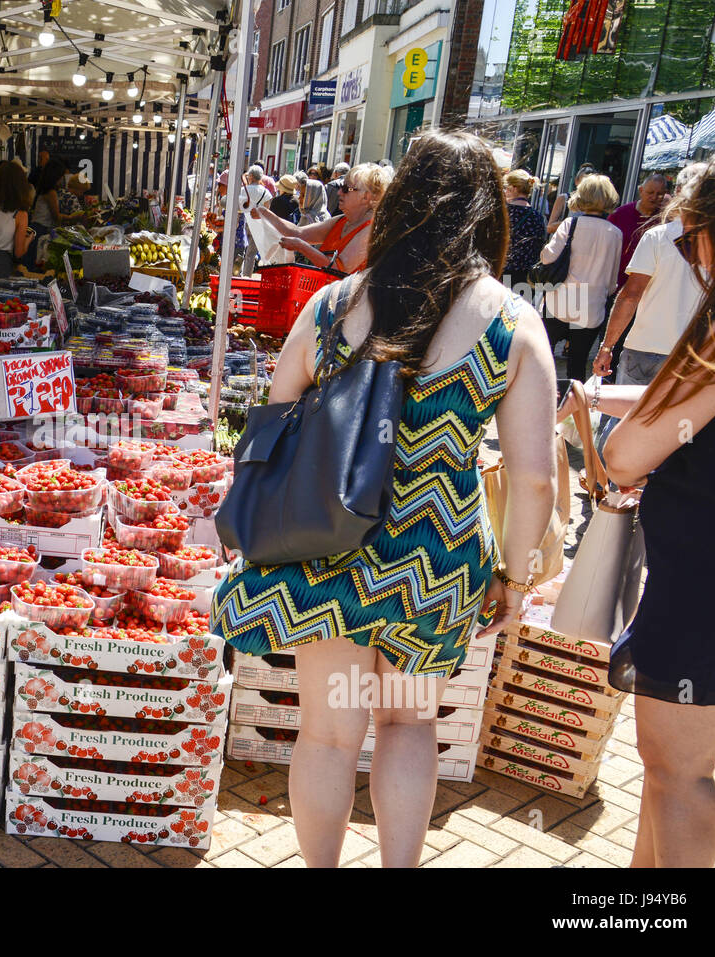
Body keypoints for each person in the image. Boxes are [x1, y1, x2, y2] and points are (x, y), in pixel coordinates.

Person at [211, 130, 558, 867]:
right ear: (487, 215)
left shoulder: (336, 302)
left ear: (399, 205)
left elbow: (274, 420)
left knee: (331, 731)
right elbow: (533, 478)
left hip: (327, 544)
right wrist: (518, 578)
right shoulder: (512, 321)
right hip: (434, 559)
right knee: (408, 724)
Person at [598, 147, 715, 867]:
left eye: (693, 236)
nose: (690, 254)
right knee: (664, 765)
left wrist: (605, 431)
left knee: (679, 769)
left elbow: (626, 454)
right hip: (709, 572)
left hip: (707, 580)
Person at [594, 163, 706, 384]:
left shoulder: (658, 236)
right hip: (695, 351)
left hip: (647, 346)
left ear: (676, 192)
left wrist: (607, 346)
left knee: (625, 415)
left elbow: (630, 295)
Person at [537, 173, 621, 380]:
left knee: (543, 354)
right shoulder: (615, 232)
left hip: (560, 300)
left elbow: (547, 258)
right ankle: (573, 404)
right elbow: (612, 279)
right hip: (592, 306)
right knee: (578, 361)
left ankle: (541, 394)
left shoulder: (570, 224)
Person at [249, 162, 391, 274]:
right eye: (341, 187)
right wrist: (265, 213)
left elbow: (337, 270)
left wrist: (301, 246)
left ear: (366, 196)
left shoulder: (370, 229)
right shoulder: (342, 220)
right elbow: (298, 233)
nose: (339, 192)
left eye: (347, 189)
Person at [608, 173, 669, 289]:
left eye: (659, 194)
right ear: (641, 191)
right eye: (650, 192)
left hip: (648, 285)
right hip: (616, 282)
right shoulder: (619, 215)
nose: (654, 197)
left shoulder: (665, 220)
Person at [502, 169, 547, 281]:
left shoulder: (503, 213)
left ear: (514, 188)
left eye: (506, 188)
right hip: (526, 276)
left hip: (503, 272)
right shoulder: (537, 216)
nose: (505, 191)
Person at [27, 157, 67, 267]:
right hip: (41, 231)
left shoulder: (43, 189)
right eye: (61, 176)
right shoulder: (51, 192)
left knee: (31, 265)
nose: (62, 179)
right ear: (56, 176)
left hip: (35, 229)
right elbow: (56, 216)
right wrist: (73, 217)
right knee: (37, 266)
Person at [546, 163, 597, 234]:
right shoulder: (564, 198)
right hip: (564, 242)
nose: (587, 186)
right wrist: (573, 222)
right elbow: (549, 228)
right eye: (584, 182)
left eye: (591, 183)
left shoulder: (597, 203)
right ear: (576, 181)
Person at [239, 165, 271, 276]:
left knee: (241, 249)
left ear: (251, 176)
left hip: (244, 221)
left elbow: (239, 207)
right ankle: (247, 275)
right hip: (258, 224)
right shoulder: (265, 192)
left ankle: (238, 271)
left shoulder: (244, 190)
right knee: (251, 253)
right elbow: (267, 210)